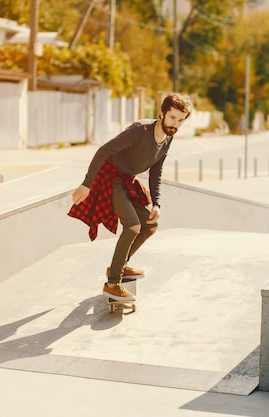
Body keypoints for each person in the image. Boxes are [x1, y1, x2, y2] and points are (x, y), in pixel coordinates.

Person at [68, 93, 193, 302]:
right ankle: (112, 284)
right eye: (173, 118)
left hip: (127, 182)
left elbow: (156, 172)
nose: (176, 125)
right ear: (161, 114)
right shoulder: (140, 130)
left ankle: (119, 266)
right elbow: (104, 150)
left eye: (181, 120)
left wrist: (157, 203)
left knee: (150, 225)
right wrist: (87, 184)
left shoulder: (168, 139)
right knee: (132, 225)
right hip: (110, 179)